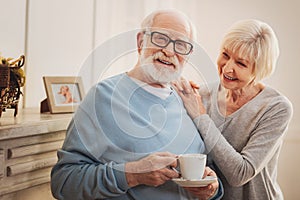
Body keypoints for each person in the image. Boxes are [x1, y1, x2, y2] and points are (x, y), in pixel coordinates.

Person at [51, 9, 223, 200]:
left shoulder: (189, 101)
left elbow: (210, 172)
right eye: (160, 38)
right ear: (141, 41)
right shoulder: (102, 97)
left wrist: (212, 189)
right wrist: (132, 174)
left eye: (181, 45)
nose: (168, 51)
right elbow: (64, 182)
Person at [172, 19, 293, 200]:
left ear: (259, 70)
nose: (227, 68)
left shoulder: (276, 108)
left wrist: (200, 116)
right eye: (225, 55)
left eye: (241, 64)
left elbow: (240, 174)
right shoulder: (203, 96)